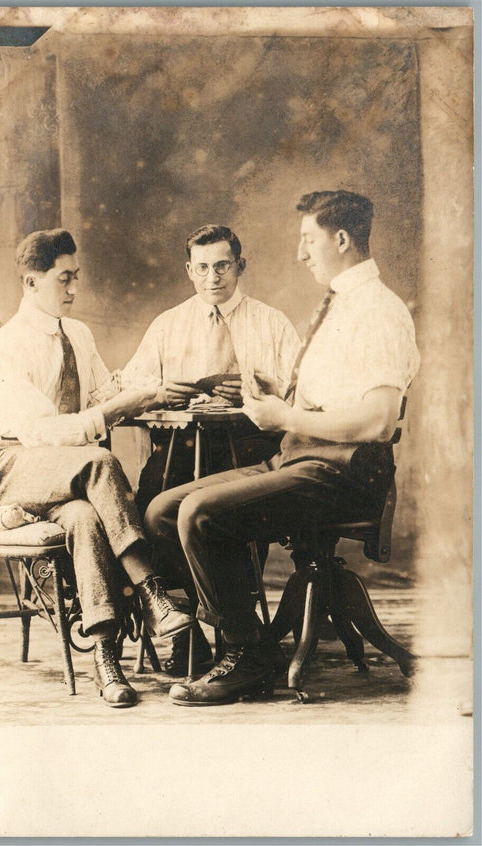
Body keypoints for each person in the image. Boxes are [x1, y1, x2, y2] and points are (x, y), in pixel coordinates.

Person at [144, 190, 421, 706]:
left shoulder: (379, 311)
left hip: (344, 472)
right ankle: (241, 636)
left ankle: (246, 658)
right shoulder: (342, 304)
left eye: (307, 239)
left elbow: (380, 421)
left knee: (201, 513)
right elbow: (328, 398)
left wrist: (286, 416)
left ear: (340, 239)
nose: (300, 253)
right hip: (302, 456)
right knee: (164, 510)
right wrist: (275, 396)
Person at [0, 229, 193, 709]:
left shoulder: (79, 334)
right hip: (7, 466)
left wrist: (147, 388)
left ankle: (105, 659)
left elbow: (95, 397)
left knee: (85, 519)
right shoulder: (5, 349)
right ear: (32, 281)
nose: (74, 289)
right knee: (100, 461)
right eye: (63, 279)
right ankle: (152, 591)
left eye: (76, 277)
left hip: (62, 473)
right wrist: (117, 410)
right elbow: (44, 434)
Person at [121, 224, 301, 675]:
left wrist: (267, 389)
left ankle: (237, 634)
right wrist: (160, 390)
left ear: (240, 266)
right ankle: (192, 636)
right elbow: (128, 384)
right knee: (153, 512)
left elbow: (302, 392)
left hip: (247, 446)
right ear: (188, 271)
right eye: (202, 268)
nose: (213, 277)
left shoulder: (272, 321)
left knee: (225, 519)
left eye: (222, 266)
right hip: (181, 447)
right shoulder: (168, 323)